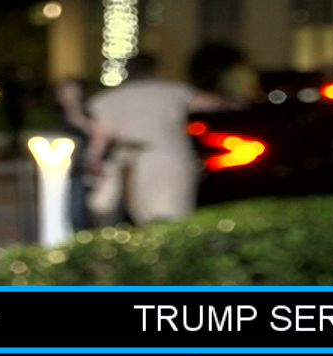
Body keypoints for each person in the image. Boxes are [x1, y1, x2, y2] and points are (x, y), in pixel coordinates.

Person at [84, 54, 231, 225]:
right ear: (154, 70)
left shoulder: (105, 99)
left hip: (130, 162)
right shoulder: (172, 90)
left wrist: (93, 162)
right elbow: (214, 103)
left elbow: (99, 139)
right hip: (168, 158)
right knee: (172, 215)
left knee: (142, 217)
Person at [52, 77, 101, 232]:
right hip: (65, 173)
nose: (69, 96)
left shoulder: (93, 114)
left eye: (73, 91)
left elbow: (99, 137)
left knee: (85, 213)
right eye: (64, 91)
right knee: (71, 214)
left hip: (88, 171)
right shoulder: (55, 118)